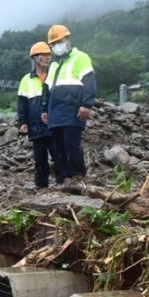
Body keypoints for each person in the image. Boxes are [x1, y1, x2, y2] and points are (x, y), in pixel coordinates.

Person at [41, 25, 96, 193]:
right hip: (56, 112)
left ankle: (78, 177)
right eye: (54, 43)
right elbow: (47, 89)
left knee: (71, 144)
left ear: (68, 40)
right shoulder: (55, 66)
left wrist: (86, 104)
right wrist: (45, 108)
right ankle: (66, 179)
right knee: (58, 148)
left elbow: (89, 82)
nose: (57, 45)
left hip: (72, 111)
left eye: (60, 41)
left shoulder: (80, 58)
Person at [18, 42, 62, 191]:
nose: (47, 58)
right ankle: (41, 184)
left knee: (58, 154)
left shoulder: (56, 75)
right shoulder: (26, 80)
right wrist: (22, 121)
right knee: (40, 157)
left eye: (48, 55)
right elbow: (22, 103)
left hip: (54, 123)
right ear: (35, 58)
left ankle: (62, 182)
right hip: (36, 124)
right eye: (43, 55)